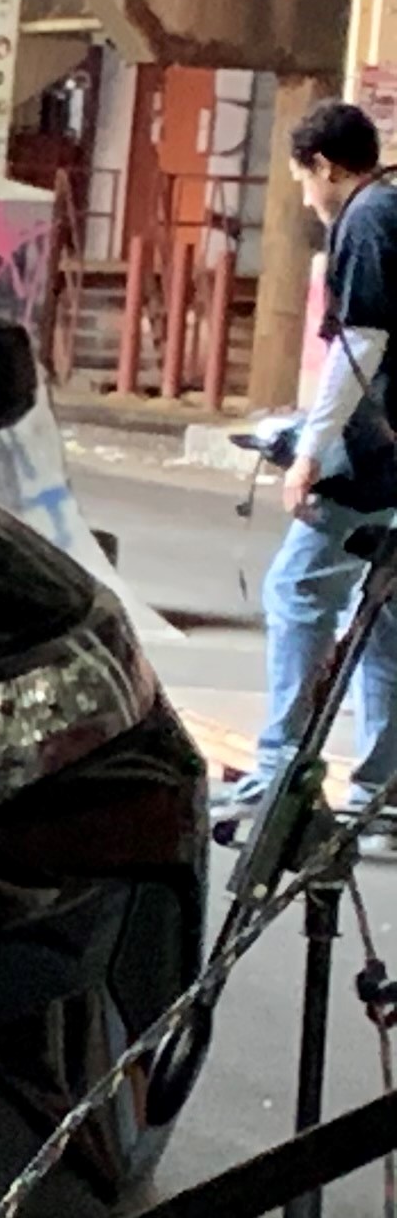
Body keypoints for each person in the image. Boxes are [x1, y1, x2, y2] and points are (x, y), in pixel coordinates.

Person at [215, 97, 397, 847]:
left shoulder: (365, 220)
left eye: (303, 181)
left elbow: (361, 343)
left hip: (372, 462)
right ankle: (378, 797)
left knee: (298, 595)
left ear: (324, 165)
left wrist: (310, 450)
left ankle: (279, 778)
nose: (308, 199)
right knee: (385, 618)